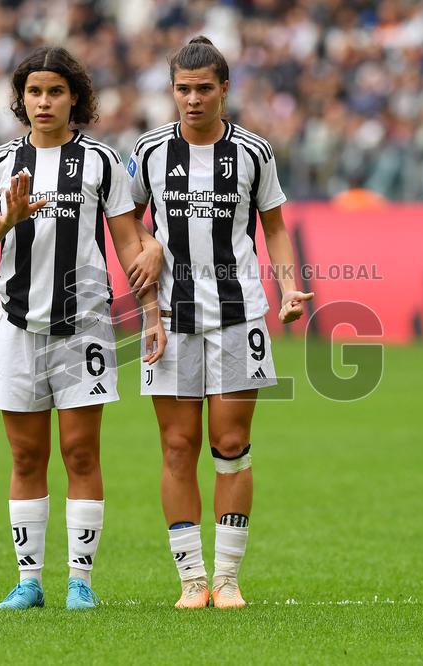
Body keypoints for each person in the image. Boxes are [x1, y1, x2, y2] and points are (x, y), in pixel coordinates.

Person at [0, 46, 166, 610]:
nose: (43, 102)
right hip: (17, 326)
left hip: (86, 328)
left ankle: (80, 582)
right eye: (34, 92)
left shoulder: (100, 160)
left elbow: (129, 243)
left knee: (80, 453)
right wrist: (9, 219)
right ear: (21, 99)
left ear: (75, 96)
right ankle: (28, 582)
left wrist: (150, 311)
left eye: (54, 91)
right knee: (25, 458)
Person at [125, 37, 313, 609]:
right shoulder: (151, 152)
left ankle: (227, 578)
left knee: (230, 443)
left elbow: (274, 227)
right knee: (178, 448)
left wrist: (288, 287)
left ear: (224, 89)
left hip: (239, 312)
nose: (193, 99)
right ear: (172, 90)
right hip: (171, 318)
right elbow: (125, 222)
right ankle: (191, 580)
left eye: (204, 88)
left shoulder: (254, 152)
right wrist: (150, 243)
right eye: (183, 89)